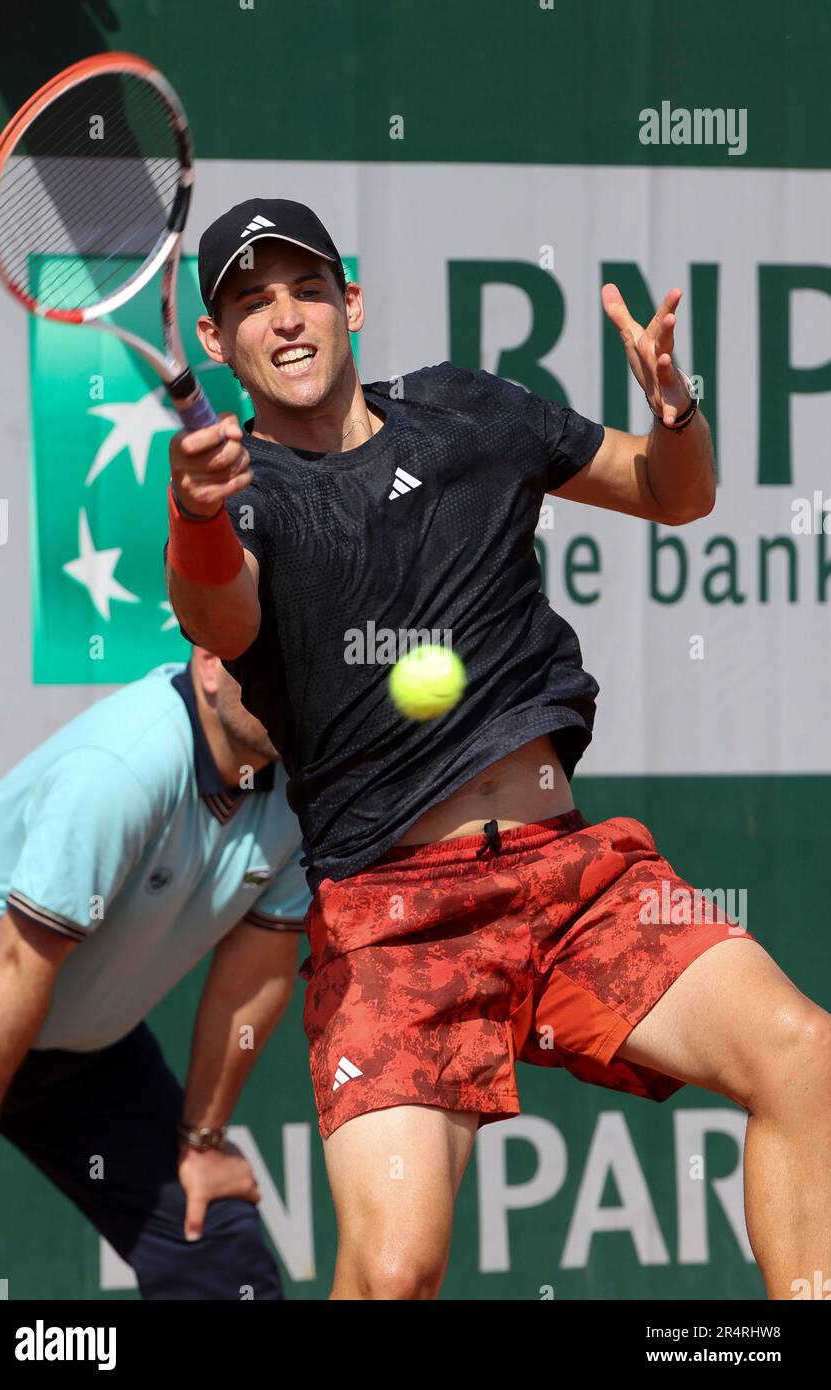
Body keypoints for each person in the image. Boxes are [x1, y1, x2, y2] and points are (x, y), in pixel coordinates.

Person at [165, 197, 831, 1301]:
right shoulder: (245, 498)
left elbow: (676, 493)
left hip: (571, 879)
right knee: (391, 1272)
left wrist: (675, 408)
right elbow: (218, 618)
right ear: (214, 341)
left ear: (351, 302)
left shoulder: (466, 411)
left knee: (802, 1056)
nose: (283, 319)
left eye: (304, 291)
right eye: (249, 303)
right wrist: (194, 509)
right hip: (391, 919)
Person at [0, 648, 308, 1300]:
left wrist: (202, 1141)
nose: (286, 682)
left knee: (217, 1256)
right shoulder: (124, 766)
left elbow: (251, 977)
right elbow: (15, 961)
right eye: (265, 660)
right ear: (208, 662)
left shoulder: (303, 790)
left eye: (301, 659)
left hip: (79, 1056)